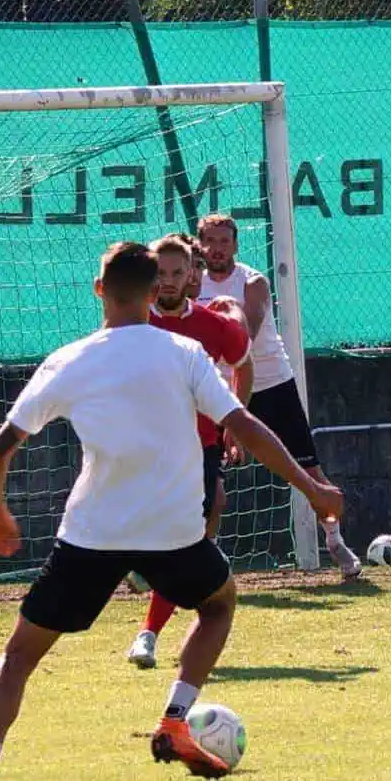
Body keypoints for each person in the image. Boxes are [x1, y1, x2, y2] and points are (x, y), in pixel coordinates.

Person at [0, 242, 344, 781]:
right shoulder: (183, 352)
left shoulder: (69, 360)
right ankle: (175, 717)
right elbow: (244, 425)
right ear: (156, 294)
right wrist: (314, 487)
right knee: (219, 604)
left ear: (99, 289)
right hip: (173, 531)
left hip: (91, 535)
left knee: (20, 654)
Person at [195, 212, 361, 579]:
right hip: (216, 393)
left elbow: (244, 337)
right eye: (211, 241)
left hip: (270, 385)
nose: (217, 248)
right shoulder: (193, 287)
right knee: (204, 483)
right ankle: (198, 564)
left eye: (225, 241)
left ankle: (335, 540)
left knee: (308, 470)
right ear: (200, 245)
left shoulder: (253, 282)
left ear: (236, 245)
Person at [126, 234, 253, 670]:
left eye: (177, 273)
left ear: (192, 274)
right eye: (160, 273)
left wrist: (235, 425)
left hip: (200, 447)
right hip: (146, 447)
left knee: (193, 534)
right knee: (170, 535)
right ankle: (140, 564)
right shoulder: (134, 323)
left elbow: (244, 361)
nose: (169, 281)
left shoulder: (211, 324)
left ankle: (148, 634)